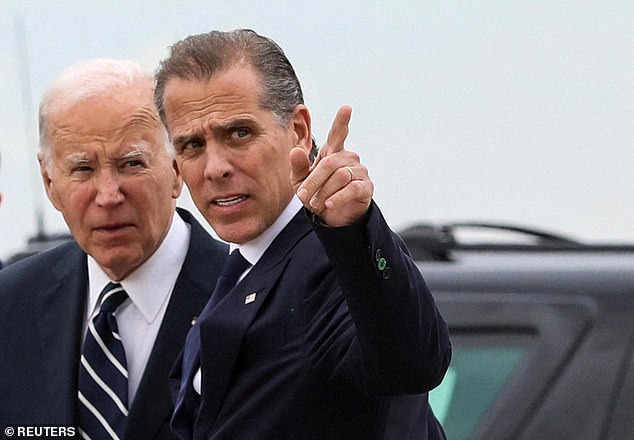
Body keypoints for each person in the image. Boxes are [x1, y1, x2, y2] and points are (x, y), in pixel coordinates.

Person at [154, 29, 451, 439]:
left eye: (238, 133)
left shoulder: (331, 261)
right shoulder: (237, 269)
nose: (215, 167)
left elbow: (410, 364)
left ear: (297, 131)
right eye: (191, 145)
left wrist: (352, 231)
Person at [0, 59, 227, 440]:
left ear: (176, 169)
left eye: (131, 163)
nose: (108, 195)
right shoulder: (11, 305)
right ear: (48, 180)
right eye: (83, 169)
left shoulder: (250, 298)